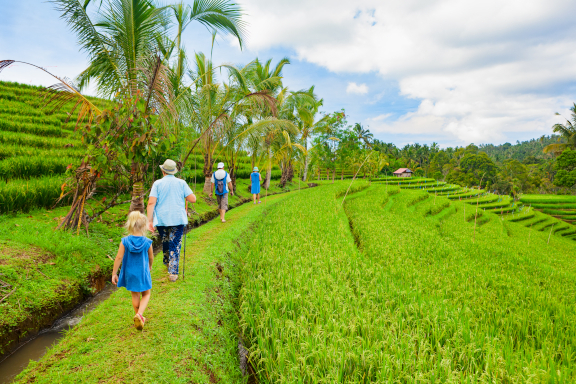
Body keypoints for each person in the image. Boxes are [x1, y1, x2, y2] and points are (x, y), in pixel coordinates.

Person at [147, 159, 196, 282]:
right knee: (175, 243)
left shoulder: (157, 184)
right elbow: (193, 199)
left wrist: (150, 221)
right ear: (174, 171)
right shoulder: (181, 183)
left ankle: (168, 263)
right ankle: (173, 272)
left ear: (163, 171)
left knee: (166, 241)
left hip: (162, 219)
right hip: (177, 218)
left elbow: (151, 203)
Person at [112, 211, 153, 331]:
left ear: (129, 226)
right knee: (146, 293)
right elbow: (151, 257)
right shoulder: (147, 242)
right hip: (142, 272)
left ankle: (138, 316)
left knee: (135, 294)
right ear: (144, 226)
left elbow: (119, 257)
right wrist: (149, 266)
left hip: (129, 273)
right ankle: (140, 315)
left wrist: (115, 273)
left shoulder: (124, 241)